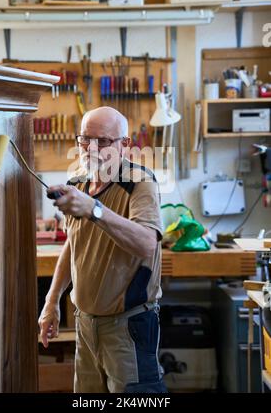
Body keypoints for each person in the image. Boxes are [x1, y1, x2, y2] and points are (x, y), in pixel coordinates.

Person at [38, 106, 167, 393]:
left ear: (125, 144)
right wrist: (51, 301)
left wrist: (94, 209)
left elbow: (147, 244)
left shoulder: (140, 183)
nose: (91, 148)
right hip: (84, 325)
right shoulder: (77, 185)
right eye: (85, 139)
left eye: (104, 141)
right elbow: (74, 244)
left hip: (128, 328)